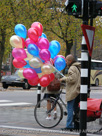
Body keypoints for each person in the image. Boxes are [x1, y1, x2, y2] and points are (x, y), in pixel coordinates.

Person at [59, 54, 81, 131]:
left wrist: (64, 79)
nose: (65, 62)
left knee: (70, 108)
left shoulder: (72, 68)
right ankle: (76, 124)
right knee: (75, 108)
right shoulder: (77, 67)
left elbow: (73, 79)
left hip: (73, 91)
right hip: (77, 90)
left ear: (70, 61)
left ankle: (69, 125)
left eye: (66, 60)